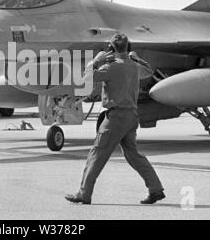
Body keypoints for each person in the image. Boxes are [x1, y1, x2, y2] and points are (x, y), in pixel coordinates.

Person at [65, 34, 165, 205]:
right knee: (134, 155)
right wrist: (135, 57)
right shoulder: (134, 66)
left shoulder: (110, 68)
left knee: (96, 154)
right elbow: (148, 70)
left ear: (111, 48)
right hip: (132, 116)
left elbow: (85, 78)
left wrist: (94, 62)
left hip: (116, 118)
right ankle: (156, 189)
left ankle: (84, 194)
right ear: (128, 47)